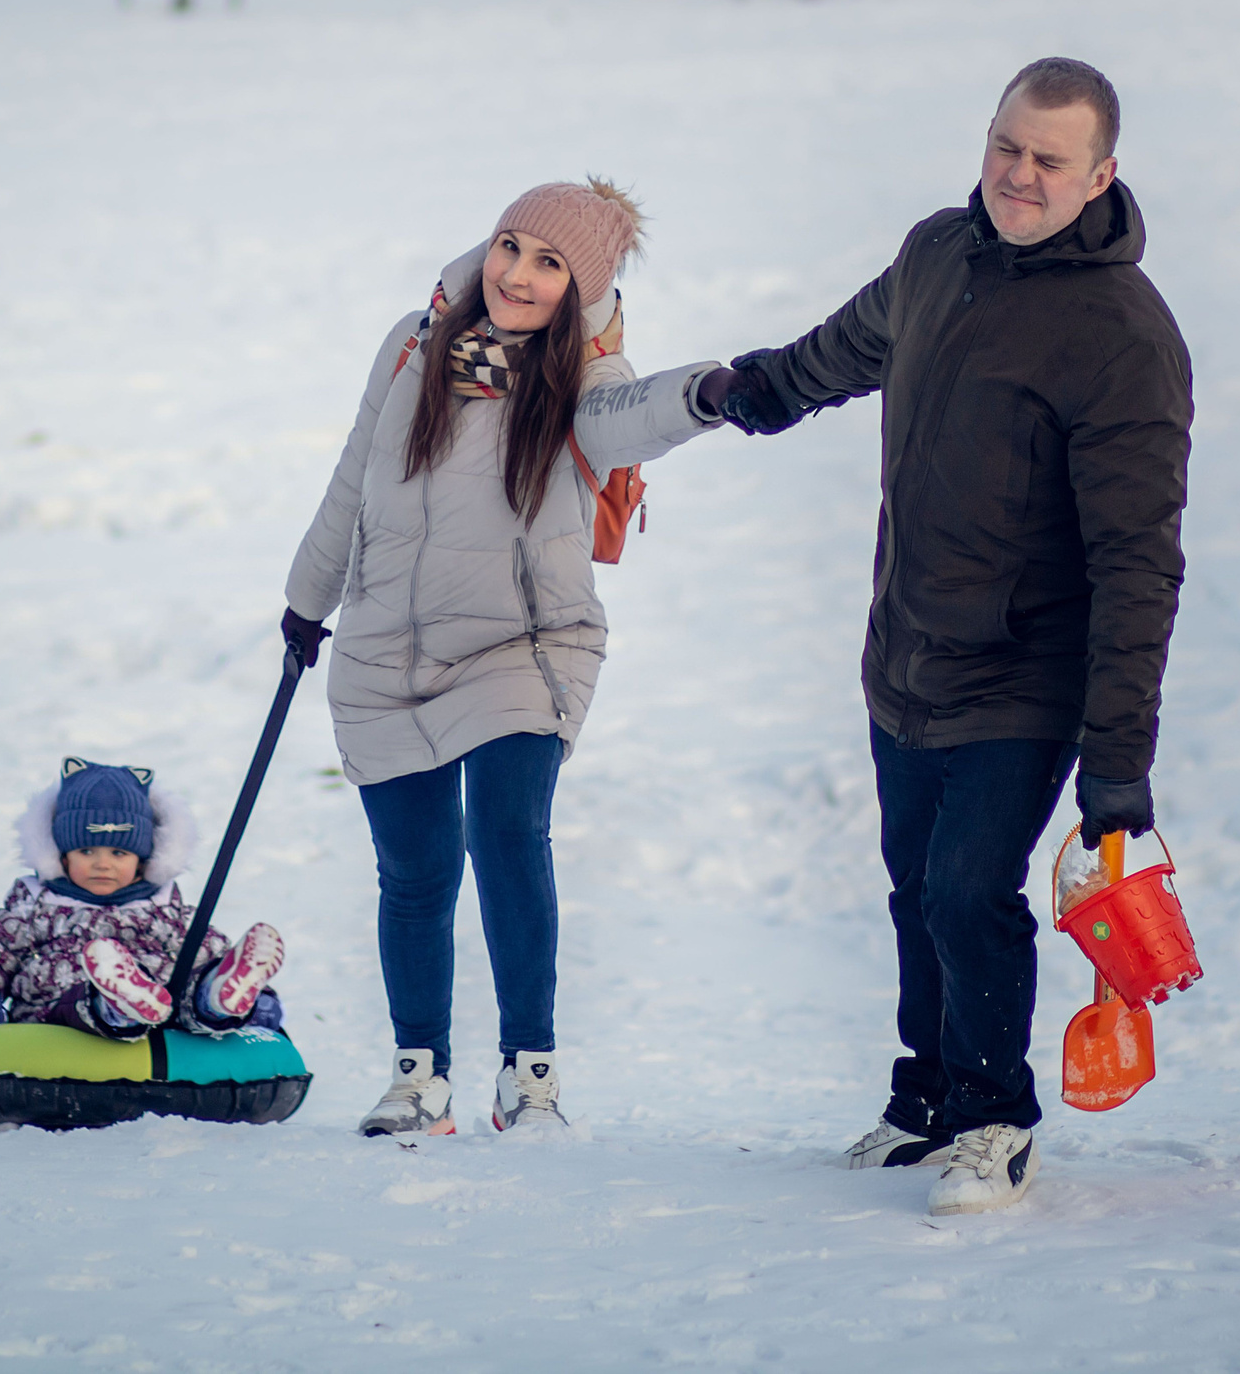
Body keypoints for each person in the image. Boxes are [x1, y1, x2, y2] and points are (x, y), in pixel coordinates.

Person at [709, 59, 1192, 1214]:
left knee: (970, 891)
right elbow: (855, 341)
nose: (1019, 175)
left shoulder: (1123, 337)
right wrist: (761, 391)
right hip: (907, 652)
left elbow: (1139, 563)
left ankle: (994, 1116)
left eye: (1049, 159)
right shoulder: (939, 251)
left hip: (1025, 673)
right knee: (913, 887)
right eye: (1006, 146)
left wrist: (1116, 767)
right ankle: (924, 1097)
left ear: (1101, 174)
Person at [283, 179, 732, 1136]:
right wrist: (304, 601)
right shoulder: (415, 342)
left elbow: (633, 419)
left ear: (581, 288)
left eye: (548, 261)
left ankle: (530, 1072)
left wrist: (705, 394)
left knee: (505, 834)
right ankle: (419, 1076)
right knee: (414, 872)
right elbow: (353, 474)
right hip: (386, 650)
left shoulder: (585, 377)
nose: (516, 275)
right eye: (509, 246)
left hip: (522, 647)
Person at [0, 759, 286, 1039]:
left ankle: (216, 1002)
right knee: (83, 1002)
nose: (102, 863)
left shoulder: (166, 912)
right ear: (61, 856)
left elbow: (210, 952)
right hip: (57, 1018)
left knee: (194, 984)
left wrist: (262, 1003)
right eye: (86, 850)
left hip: (166, 1020)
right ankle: (119, 1006)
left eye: (119, 852)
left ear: (143, 860)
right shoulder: (34, 908)